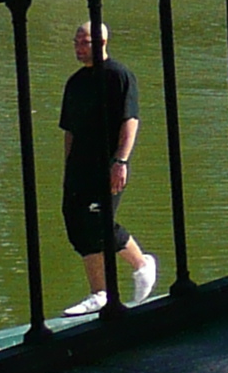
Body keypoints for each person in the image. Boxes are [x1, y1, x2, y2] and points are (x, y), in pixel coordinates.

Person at [58, 19, 157, 317]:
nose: (78, 47)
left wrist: (121, 160)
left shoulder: (119, 75)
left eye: (83, 42)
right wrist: (68, 167)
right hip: (79, 167)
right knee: (78, 226)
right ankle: (99, 292)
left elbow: (130, 120)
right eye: (76, 42)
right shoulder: (75, 82)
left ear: (101, 42)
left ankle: (142, 264)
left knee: (99, 221)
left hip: (108, 163)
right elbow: (70, 129)